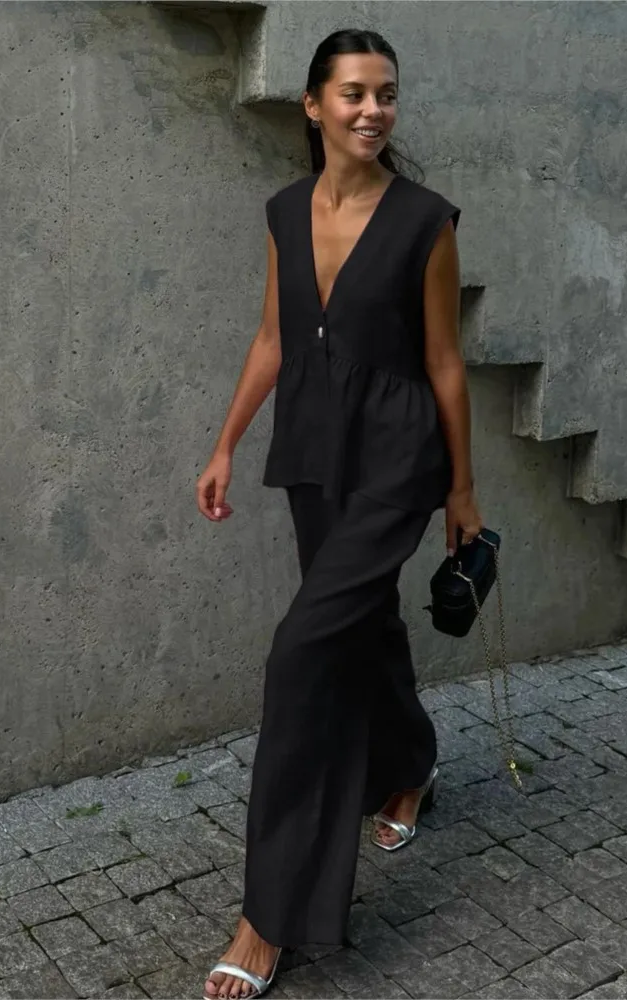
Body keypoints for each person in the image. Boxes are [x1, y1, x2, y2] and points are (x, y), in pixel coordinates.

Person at [197, 27, 484, 1000]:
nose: (373, 110)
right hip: (313, 454)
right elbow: (273, 338)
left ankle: (270, 915)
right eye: (355, 93)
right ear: (314, 105)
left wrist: (462, 489)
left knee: (303, 655)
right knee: (363, 627)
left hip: (397, 461)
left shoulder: (425, 222)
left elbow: (445, 361)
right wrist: (226, 443)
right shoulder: (284, 212)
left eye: (386, 94)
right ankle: (409, 765)